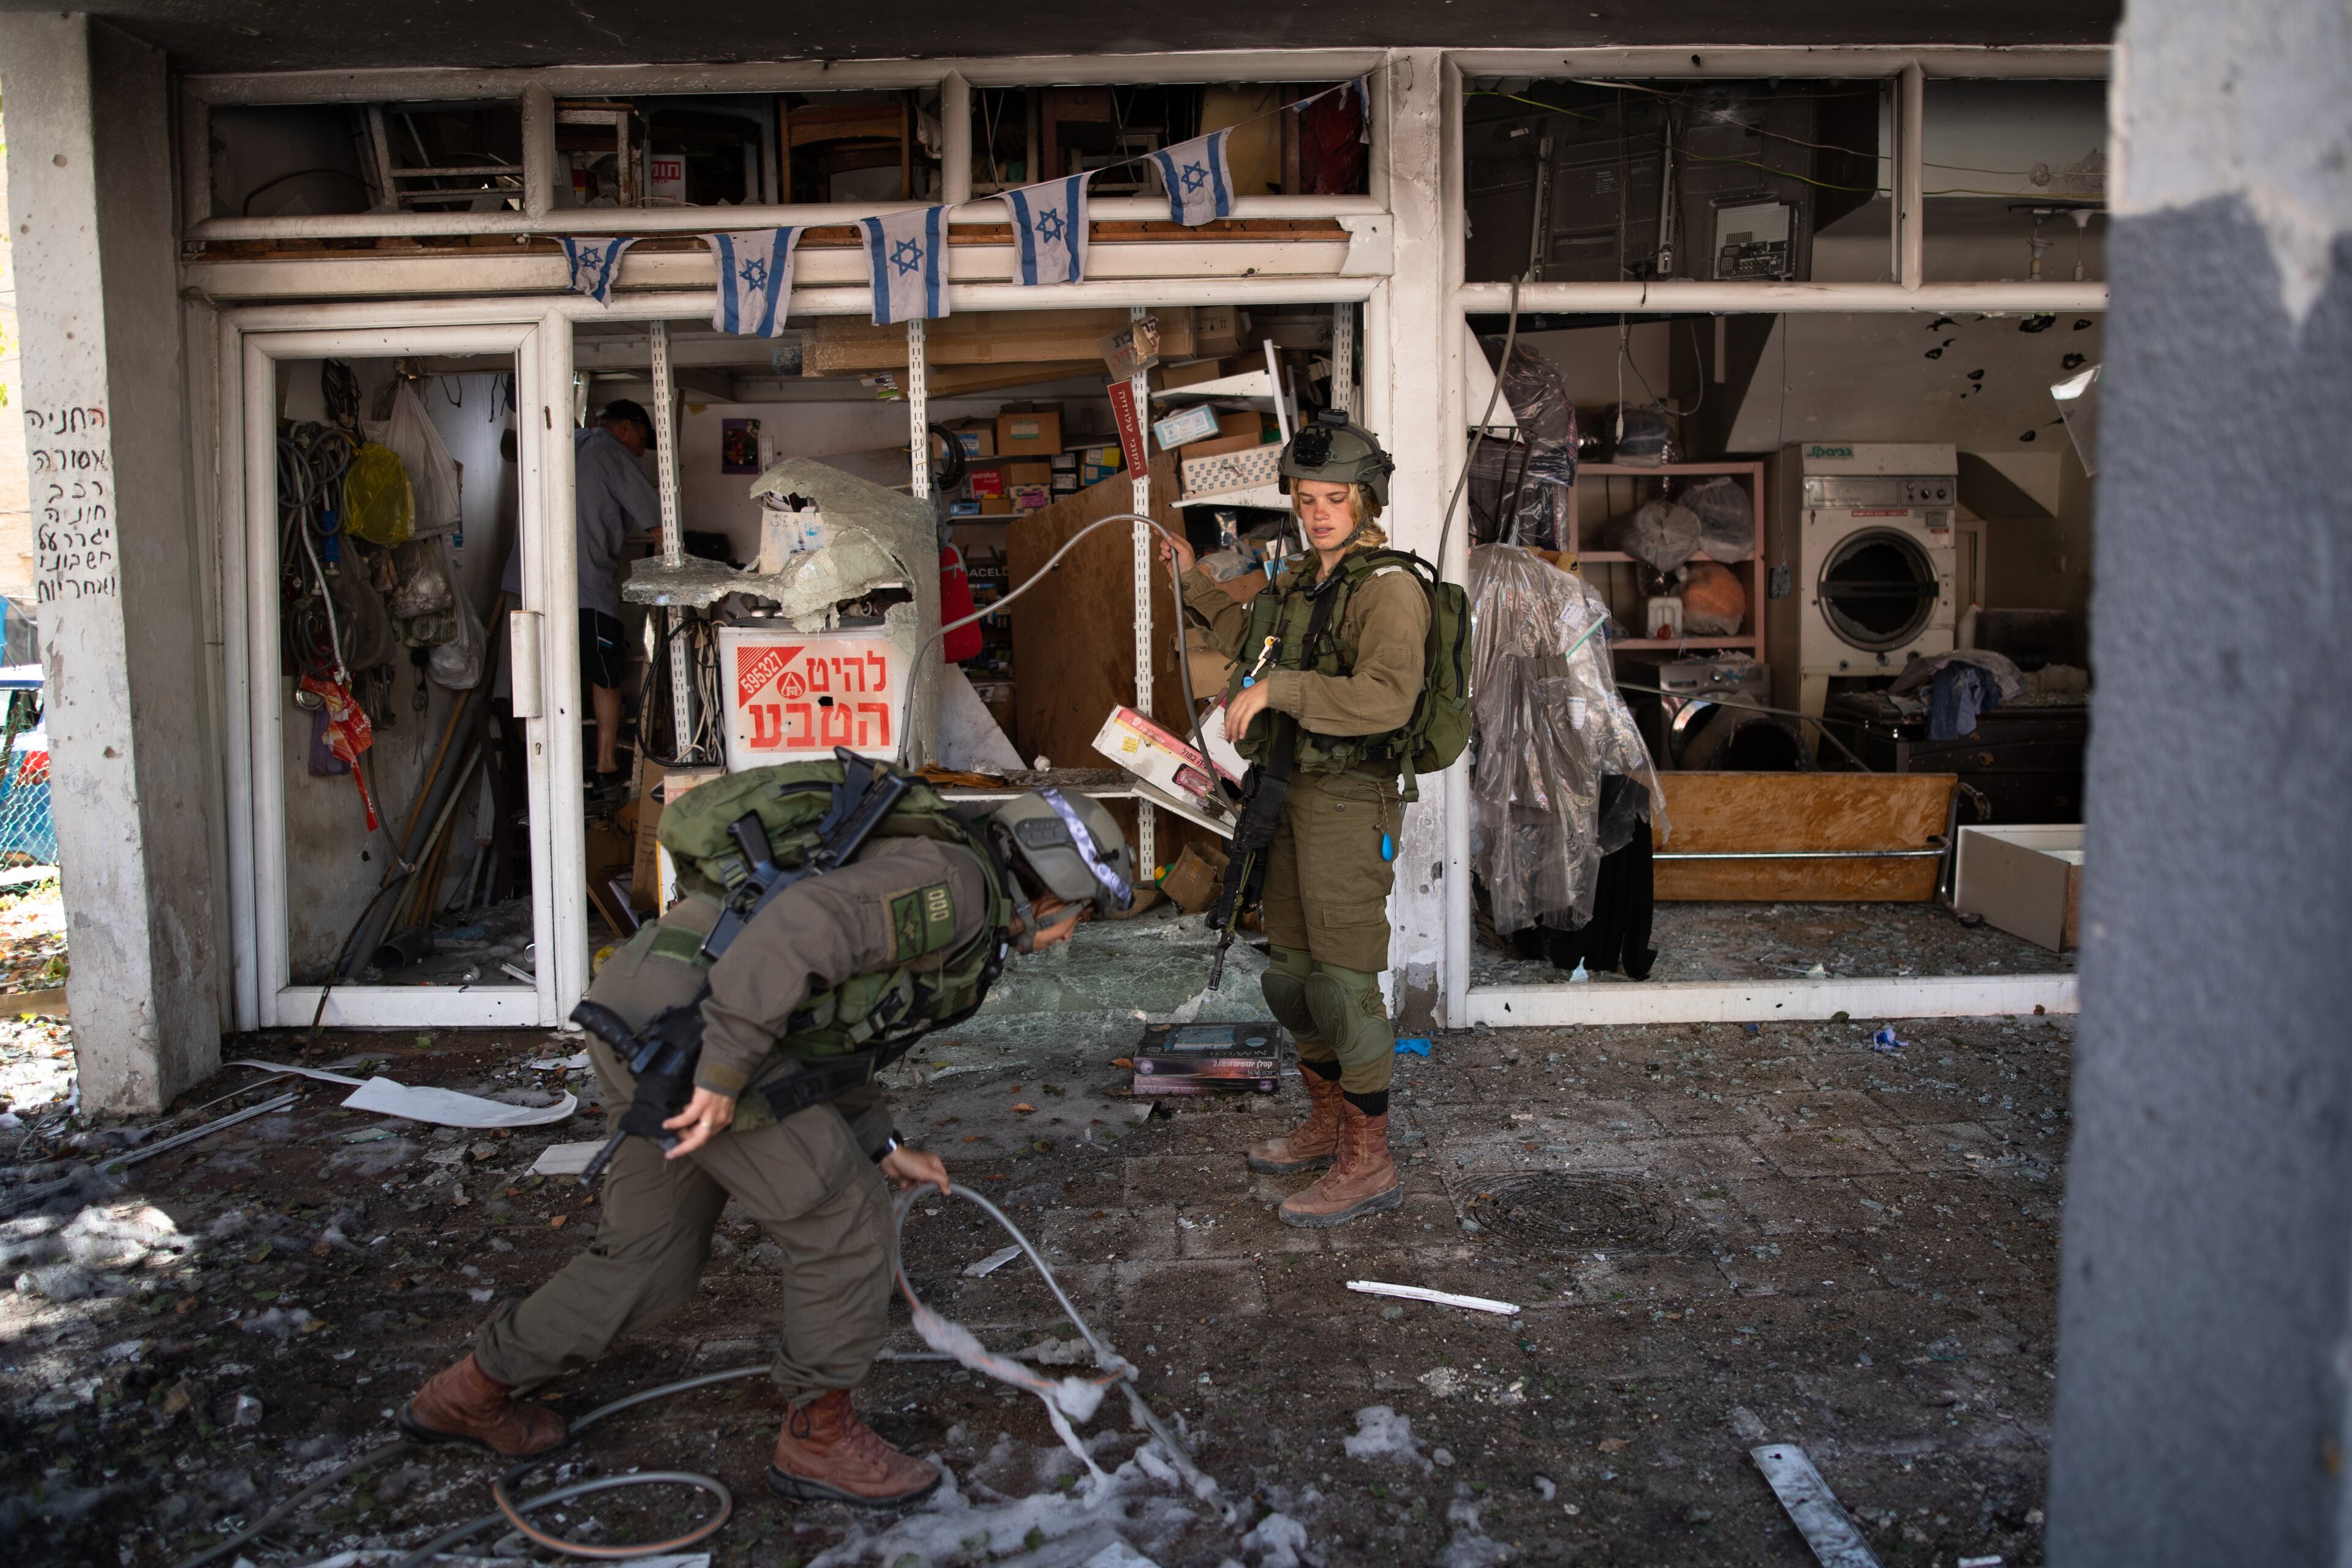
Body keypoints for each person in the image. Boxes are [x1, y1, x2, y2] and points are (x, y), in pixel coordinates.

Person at [398, 767, 1136, 1509]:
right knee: (844, 1223)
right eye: (1077, 911)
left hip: (647, 1006)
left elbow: (832, 1033)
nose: (1069, 931)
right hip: (703, 1033)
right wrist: (722, 1071)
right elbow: (802, 928)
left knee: (650, 1258)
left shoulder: (935, 869)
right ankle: (819, 1438)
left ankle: (468, 1392)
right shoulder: (956, 889)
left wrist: (881, 1144)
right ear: (1047, 885)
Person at [1163, 412, 1428, 1229]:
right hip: (1286, 797)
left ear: (1366, 500)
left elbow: (1388, 697)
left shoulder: (1389, 590)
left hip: (1349, 805)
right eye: (1307, 498)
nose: (1318, 512)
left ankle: (1369, 1160)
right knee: (1293, 980)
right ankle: (1325, 1123)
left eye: (1335, 498)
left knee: (1346, 990)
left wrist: (1279, 693)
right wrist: (1191, 578)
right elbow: (1251, 637)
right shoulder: (1302, 586)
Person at [503, 399, 660, 793]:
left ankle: (535, 767)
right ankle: (605, 767)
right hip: (584, 585)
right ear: (625, 427)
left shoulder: (560, 442)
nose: (642, 449)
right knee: (605, 675)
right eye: (642, 439)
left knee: (534, 679)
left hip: (530, 585)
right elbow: (661, 527)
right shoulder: (614, 453)